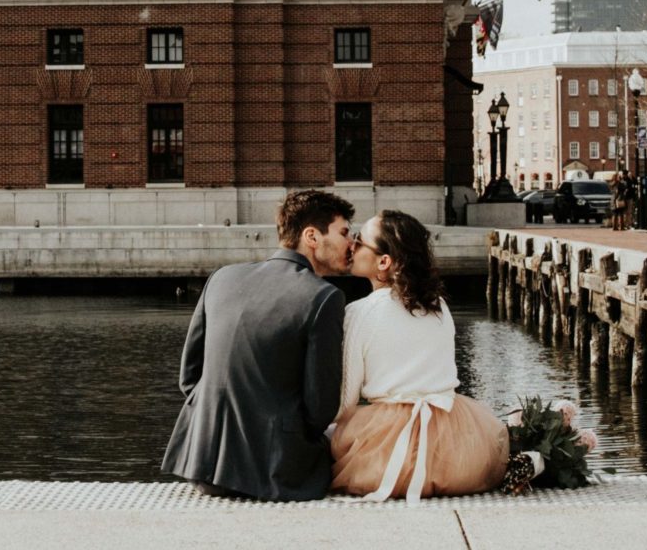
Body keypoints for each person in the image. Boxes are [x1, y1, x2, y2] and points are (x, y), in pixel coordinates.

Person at [162, 189, 353, 501]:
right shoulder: (324, 297)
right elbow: (320, 410)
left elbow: (189, 377)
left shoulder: (222, 277)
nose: (351, 243)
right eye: (344, 232)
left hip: (201, 466)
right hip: (274, 474)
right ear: (312, 236)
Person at [330, 210, 509, 502]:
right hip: (458, 446)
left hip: (385, 448)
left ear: (383, 262)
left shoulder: (360, 313)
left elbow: (345, 404)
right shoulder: (438, 306)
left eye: (360, 241)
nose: (352, 245)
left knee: (333, 437)